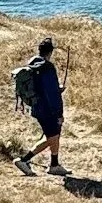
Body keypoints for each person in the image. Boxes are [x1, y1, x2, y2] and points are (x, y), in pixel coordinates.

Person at [14, 36, 69, 176]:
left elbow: (41, 87)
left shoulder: (32, 63)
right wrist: (59, 114)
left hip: (36, 107)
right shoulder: (48, 67)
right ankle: (25, 161)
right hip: (48, 109)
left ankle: (53, 164)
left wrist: (56, 89)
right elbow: (52, 94)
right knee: (53, 135)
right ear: (50, 52)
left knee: (51, 136)